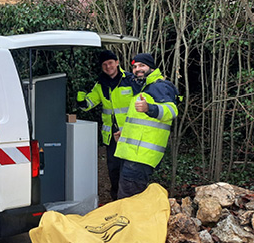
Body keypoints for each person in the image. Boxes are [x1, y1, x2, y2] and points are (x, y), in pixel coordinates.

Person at [114, 53, 179, 199]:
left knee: (127, 202)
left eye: (142, 65)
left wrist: (149, 108)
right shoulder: (146, 87)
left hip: (140, 158)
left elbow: (172, 111)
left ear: (152, 67)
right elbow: (142, 124)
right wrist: (123, 135)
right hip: (134, 156)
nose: (137, 69)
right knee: (130, 200)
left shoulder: (159, 87)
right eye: (135, 66)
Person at [77, 49, 136, 200]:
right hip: (111, 137)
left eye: (110, 63)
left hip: (131, 134)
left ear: (117, 63)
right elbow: (88, 104)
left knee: (130, 169)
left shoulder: (130, 80)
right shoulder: (100, 85)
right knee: (114, 170)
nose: (108, 66)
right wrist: (81, 97)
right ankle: (116, 199)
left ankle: (130, 200)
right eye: (104, 64)